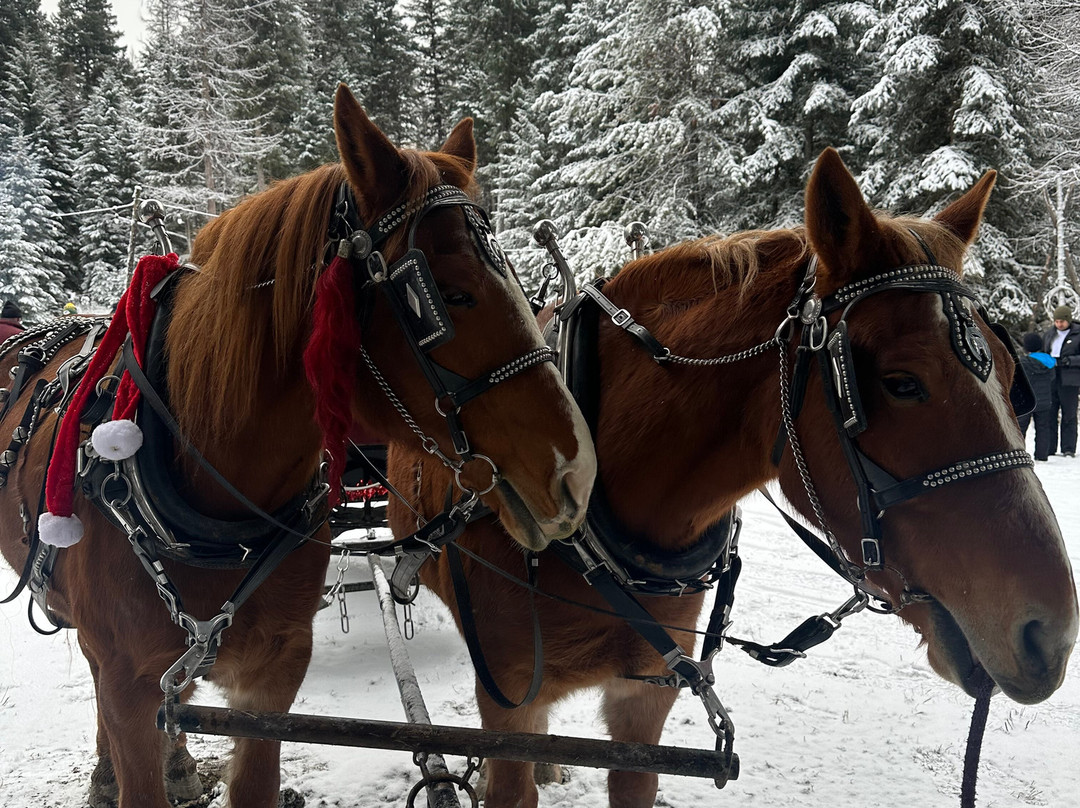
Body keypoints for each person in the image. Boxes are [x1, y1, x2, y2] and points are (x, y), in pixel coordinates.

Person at [1043, 304, 1080, 457]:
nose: (1059, 324)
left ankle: (1068, 448)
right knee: (1050, 413)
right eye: (1056, 321)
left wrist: (1069, 361)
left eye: (1062, 322)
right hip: (1051, 376)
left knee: (1069, 414)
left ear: (1068, 321)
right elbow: (1043, 351)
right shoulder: (1050, 334)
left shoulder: (1077, 334)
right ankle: (1050, 448)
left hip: (1069, 378)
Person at [1019, 332, 1056, 461]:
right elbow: (1052, 378)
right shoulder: (1050, 361)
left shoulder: (1023, 362)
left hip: (1027, 400)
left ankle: (1019, 453)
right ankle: (1042, 455)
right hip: (1045, 400)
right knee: (1043, 428)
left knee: (1021, 429)